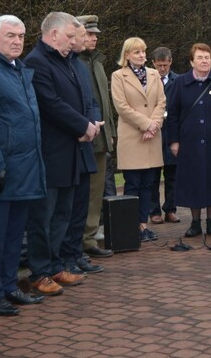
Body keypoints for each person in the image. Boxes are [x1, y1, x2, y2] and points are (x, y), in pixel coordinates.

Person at [0, 15, 48, 309]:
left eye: (21, 36)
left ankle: (8, 285)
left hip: (26, 165)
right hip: (2, 168)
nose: (17, 41)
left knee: (16, 233)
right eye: (10, 36)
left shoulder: (20, 70)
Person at [24, 12, 100, 292]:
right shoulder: (36, 62)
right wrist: (83, 125)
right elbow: (50, 103)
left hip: (74, 149)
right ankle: (39, 271)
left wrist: (89, 124)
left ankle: (56, 266)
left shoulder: (71, 62)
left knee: (63, 214)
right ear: (53, 34)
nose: (73, 42)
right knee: (44, 216)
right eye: (69, 36)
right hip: (51, 151)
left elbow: (86, 98)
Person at [166, 43, 211, 237]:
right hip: (189, 143)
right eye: (200, 57)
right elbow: (172, 115)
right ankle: (195, 223)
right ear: (191, 61)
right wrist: (173, 141)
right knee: (193, 182)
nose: (204, 61)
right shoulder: (180, 83)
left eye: (207, 57)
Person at [110, 37, 165, 242]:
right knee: (132, 183)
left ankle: (143, 225)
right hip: (133, 136)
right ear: (127, 55)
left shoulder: (154, 74)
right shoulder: (118, 76)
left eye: (143, 51)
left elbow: (161, 102)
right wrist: (146, 124)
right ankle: (131, 226)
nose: (141, 55)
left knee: (149, 184)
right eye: (136, 52)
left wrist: (154, 124)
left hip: (152, 136)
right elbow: (121, 107)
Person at [59, 22, 102, 274]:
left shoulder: (80, 66)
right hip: (71, 142)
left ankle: (76, 254)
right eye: (84, 34)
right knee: (67, 207)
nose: (87, 38)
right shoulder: (59, 64)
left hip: (87, 140)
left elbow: (92, 100)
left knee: (81, 206)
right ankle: (66, 256)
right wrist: (83, 126)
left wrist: (93, 122)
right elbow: (56, 105)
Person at [76, 15, 116, 258]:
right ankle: (80, 239)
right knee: (84, 191)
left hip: (101, 136)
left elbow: (105, 103)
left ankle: (88, 238)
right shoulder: (75, 63)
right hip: (83, 136)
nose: (93, 39)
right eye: (89, 34)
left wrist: (110, 133)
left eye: (95, 35)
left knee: (97, 190)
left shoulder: (98, 63)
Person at [150, 47, 180, 223]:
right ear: (153, 63)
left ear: (170, 62)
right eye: (159, 65)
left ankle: (170, 209)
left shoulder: (178, 80)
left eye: (165, 65)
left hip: (172, 131)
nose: (162, 69)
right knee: (153, 175)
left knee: (172, 174)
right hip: (153, 130)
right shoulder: (147, 80)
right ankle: (154, 211)